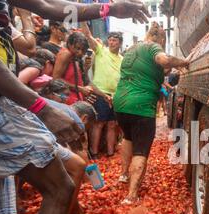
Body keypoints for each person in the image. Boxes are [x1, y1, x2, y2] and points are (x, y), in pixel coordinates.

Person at [0, 0, 151, 214]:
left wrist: (108, 9)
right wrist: (41, 107)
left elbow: (52, 7)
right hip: (6, 105)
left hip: (6, 104)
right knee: (60, 186)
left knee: (66, 179)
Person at [113, 22, 190, 204]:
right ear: (160, 38)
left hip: (121, 103)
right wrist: (183, 62)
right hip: (141, 105)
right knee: (141, 148)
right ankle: (131, 195)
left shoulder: (132, 49)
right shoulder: (153, 47)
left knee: (128, 138)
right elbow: (164, 60)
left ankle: (124, 175)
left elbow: (150, 69)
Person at [81, 22, 123, 158]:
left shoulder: (122, 59)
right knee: (99, 123)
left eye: (115, 40)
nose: (111, 43)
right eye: (110, 40)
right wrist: (83, 17)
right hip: (100, 94)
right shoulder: (101, 50)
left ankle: (110, 152)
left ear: (120, 43)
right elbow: (88, 35)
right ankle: (94, 152)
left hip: (116, 96)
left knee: (112, 124)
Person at [52, 31, 93, 105]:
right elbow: (56, 79)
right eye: (77, 48)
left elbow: (76, 79)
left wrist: (86, 69)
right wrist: (81, 89)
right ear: (69, 44)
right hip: (65, 100)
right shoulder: (66, 54)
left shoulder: (74, 57)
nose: (80, 52)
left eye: (83, 50)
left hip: (74, 100)